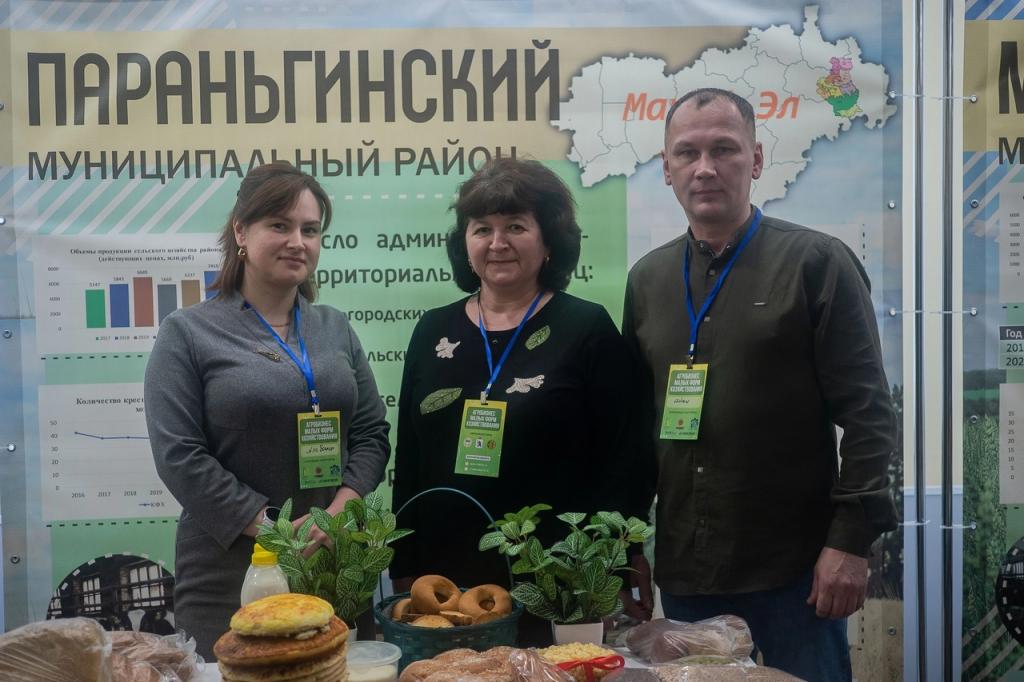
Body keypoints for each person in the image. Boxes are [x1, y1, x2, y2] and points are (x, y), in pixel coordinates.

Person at [622, 88, 896, 681]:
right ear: (667, 168)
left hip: (798, 571)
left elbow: (870, 415)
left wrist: (850, 543)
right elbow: (636, 431)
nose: (705, 168)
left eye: (724, 149)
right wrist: (629, 549)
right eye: (687, 152)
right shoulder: (647, 281)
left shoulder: (817, 263)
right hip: (688, 571)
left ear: (757, 159)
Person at [390, 158, 656, 644]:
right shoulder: (432, 330)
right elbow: (410, 457)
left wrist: (618, 562)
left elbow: (626, 459)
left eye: (516, 226)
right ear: (464, 243)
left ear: (549, 240)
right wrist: (404, 564)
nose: (498, 243)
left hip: (558, 581)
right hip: (445, 583)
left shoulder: (587, 328)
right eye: (482, 229)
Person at [144, 161, 390, 658]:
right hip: (231, 573)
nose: (297, 241)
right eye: (280, 225)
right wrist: (272, 528)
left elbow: (371, 434)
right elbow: (179, 455)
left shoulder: (334, 327)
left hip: (333, 567)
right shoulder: (187, 332)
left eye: (310, 230)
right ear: (241, 231)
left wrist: (335, 516)